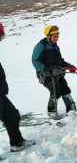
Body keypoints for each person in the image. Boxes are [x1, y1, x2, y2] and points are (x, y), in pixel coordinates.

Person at [1, 23, 35, 152]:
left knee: (12, 115)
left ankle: (17, 143)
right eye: (1, 33)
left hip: (1, 93)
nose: (2, 37)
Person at [32, 25, 77, 118]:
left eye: (58, 36)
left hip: (57, 72)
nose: (57, 39)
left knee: (65, 88)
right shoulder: (41, 46)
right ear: (48, 36)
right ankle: (52, 111)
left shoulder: (55, 47)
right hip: (44, 74)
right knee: (55, 90)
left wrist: (68, 66)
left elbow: (59, 61)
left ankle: (71, 109)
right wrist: (45, 70)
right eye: (55, 36)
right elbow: (35, 61)